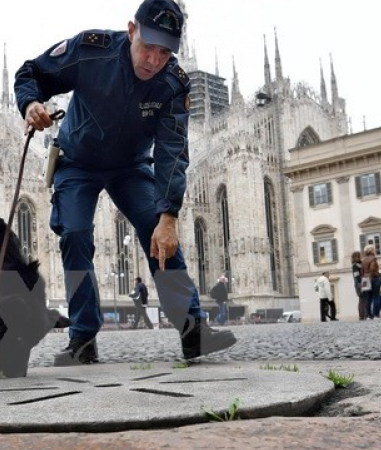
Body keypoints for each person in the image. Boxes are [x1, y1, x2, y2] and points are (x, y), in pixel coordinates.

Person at [14, 0, 236, 365]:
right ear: (131, 30)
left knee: (159, 232)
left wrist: (169, 216)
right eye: (147, 45)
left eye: (165, 51)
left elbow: (172, 152)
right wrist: (30, 104)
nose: (153, 59)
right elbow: (31, 73)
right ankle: (83, 339)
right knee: (74, 233)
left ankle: (193, 331)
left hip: (131, 166)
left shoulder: (172, 85)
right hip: (78, 162)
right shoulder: (91, 51)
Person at [361, 244, 381, 319]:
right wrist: (375, 276)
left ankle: (369, 315)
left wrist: (365, 278)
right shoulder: (373, 258)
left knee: (368, 297)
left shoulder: (363, 260)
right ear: (371, 250)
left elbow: (362, 272)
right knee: (376, 296)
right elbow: (372, 269)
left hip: (365, 279)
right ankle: (376, 314)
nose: (375, 250)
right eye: (374, 249)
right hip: (374, 278)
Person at [351, 251, 369, 320]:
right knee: (362, 299)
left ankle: (364, 315)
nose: (361, 257)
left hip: (363, 282)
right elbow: (357, 276)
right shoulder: (355, 265)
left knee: (364, 299)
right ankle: (362, 315)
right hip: (359, 283)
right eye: (360, 256)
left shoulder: (360, 264)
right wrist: (360, 284)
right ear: (357, 257)